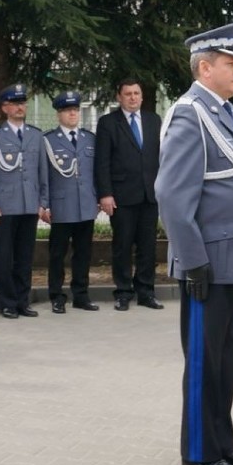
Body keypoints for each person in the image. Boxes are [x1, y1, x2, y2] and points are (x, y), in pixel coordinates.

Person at [156, 22, 233, 465]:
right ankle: (200, 450)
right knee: (206, 360)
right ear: (205, 67)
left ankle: (223, 441)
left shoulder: (220, 109)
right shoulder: (190, 113)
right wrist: (194, 262)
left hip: (232, 259)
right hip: (209, 261)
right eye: (231, 63)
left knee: (224, 358)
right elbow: (172, 198)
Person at [0, 83, 48, 319]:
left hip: (29, 205)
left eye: (22, 103)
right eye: (15, 104)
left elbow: (42, 172)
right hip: (5, 207)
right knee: (5, 257)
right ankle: (7, 302)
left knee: (25, 257)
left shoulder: (36, 135)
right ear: (5, 108)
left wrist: (43, 201)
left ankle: (22, 300)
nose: (20, 107)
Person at [94, 77, 163, 311]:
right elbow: (101, 162)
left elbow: (161, 158)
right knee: (122, 246)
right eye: (128, 94)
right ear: (119, 97)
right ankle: (123, 292)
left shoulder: (154, 121)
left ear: (142, 96)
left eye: (136, 93)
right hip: (121, 196)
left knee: (148, 247)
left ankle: (146, 292)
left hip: (149, 196)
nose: (133, 97)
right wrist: (105, 194)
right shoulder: (108, 123)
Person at [42, 91, 101, 313]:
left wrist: (96, 196)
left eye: (75, 109)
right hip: (61, 206)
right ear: (59, 114)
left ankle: (81, 295)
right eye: (68, 110)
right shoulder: (48, 141)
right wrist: (44, 204)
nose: (73, 114)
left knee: (83, 253)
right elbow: (44, 176)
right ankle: (57, 295)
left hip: (85, 206)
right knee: (57, 254)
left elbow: (95, 172)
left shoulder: (89, 139)